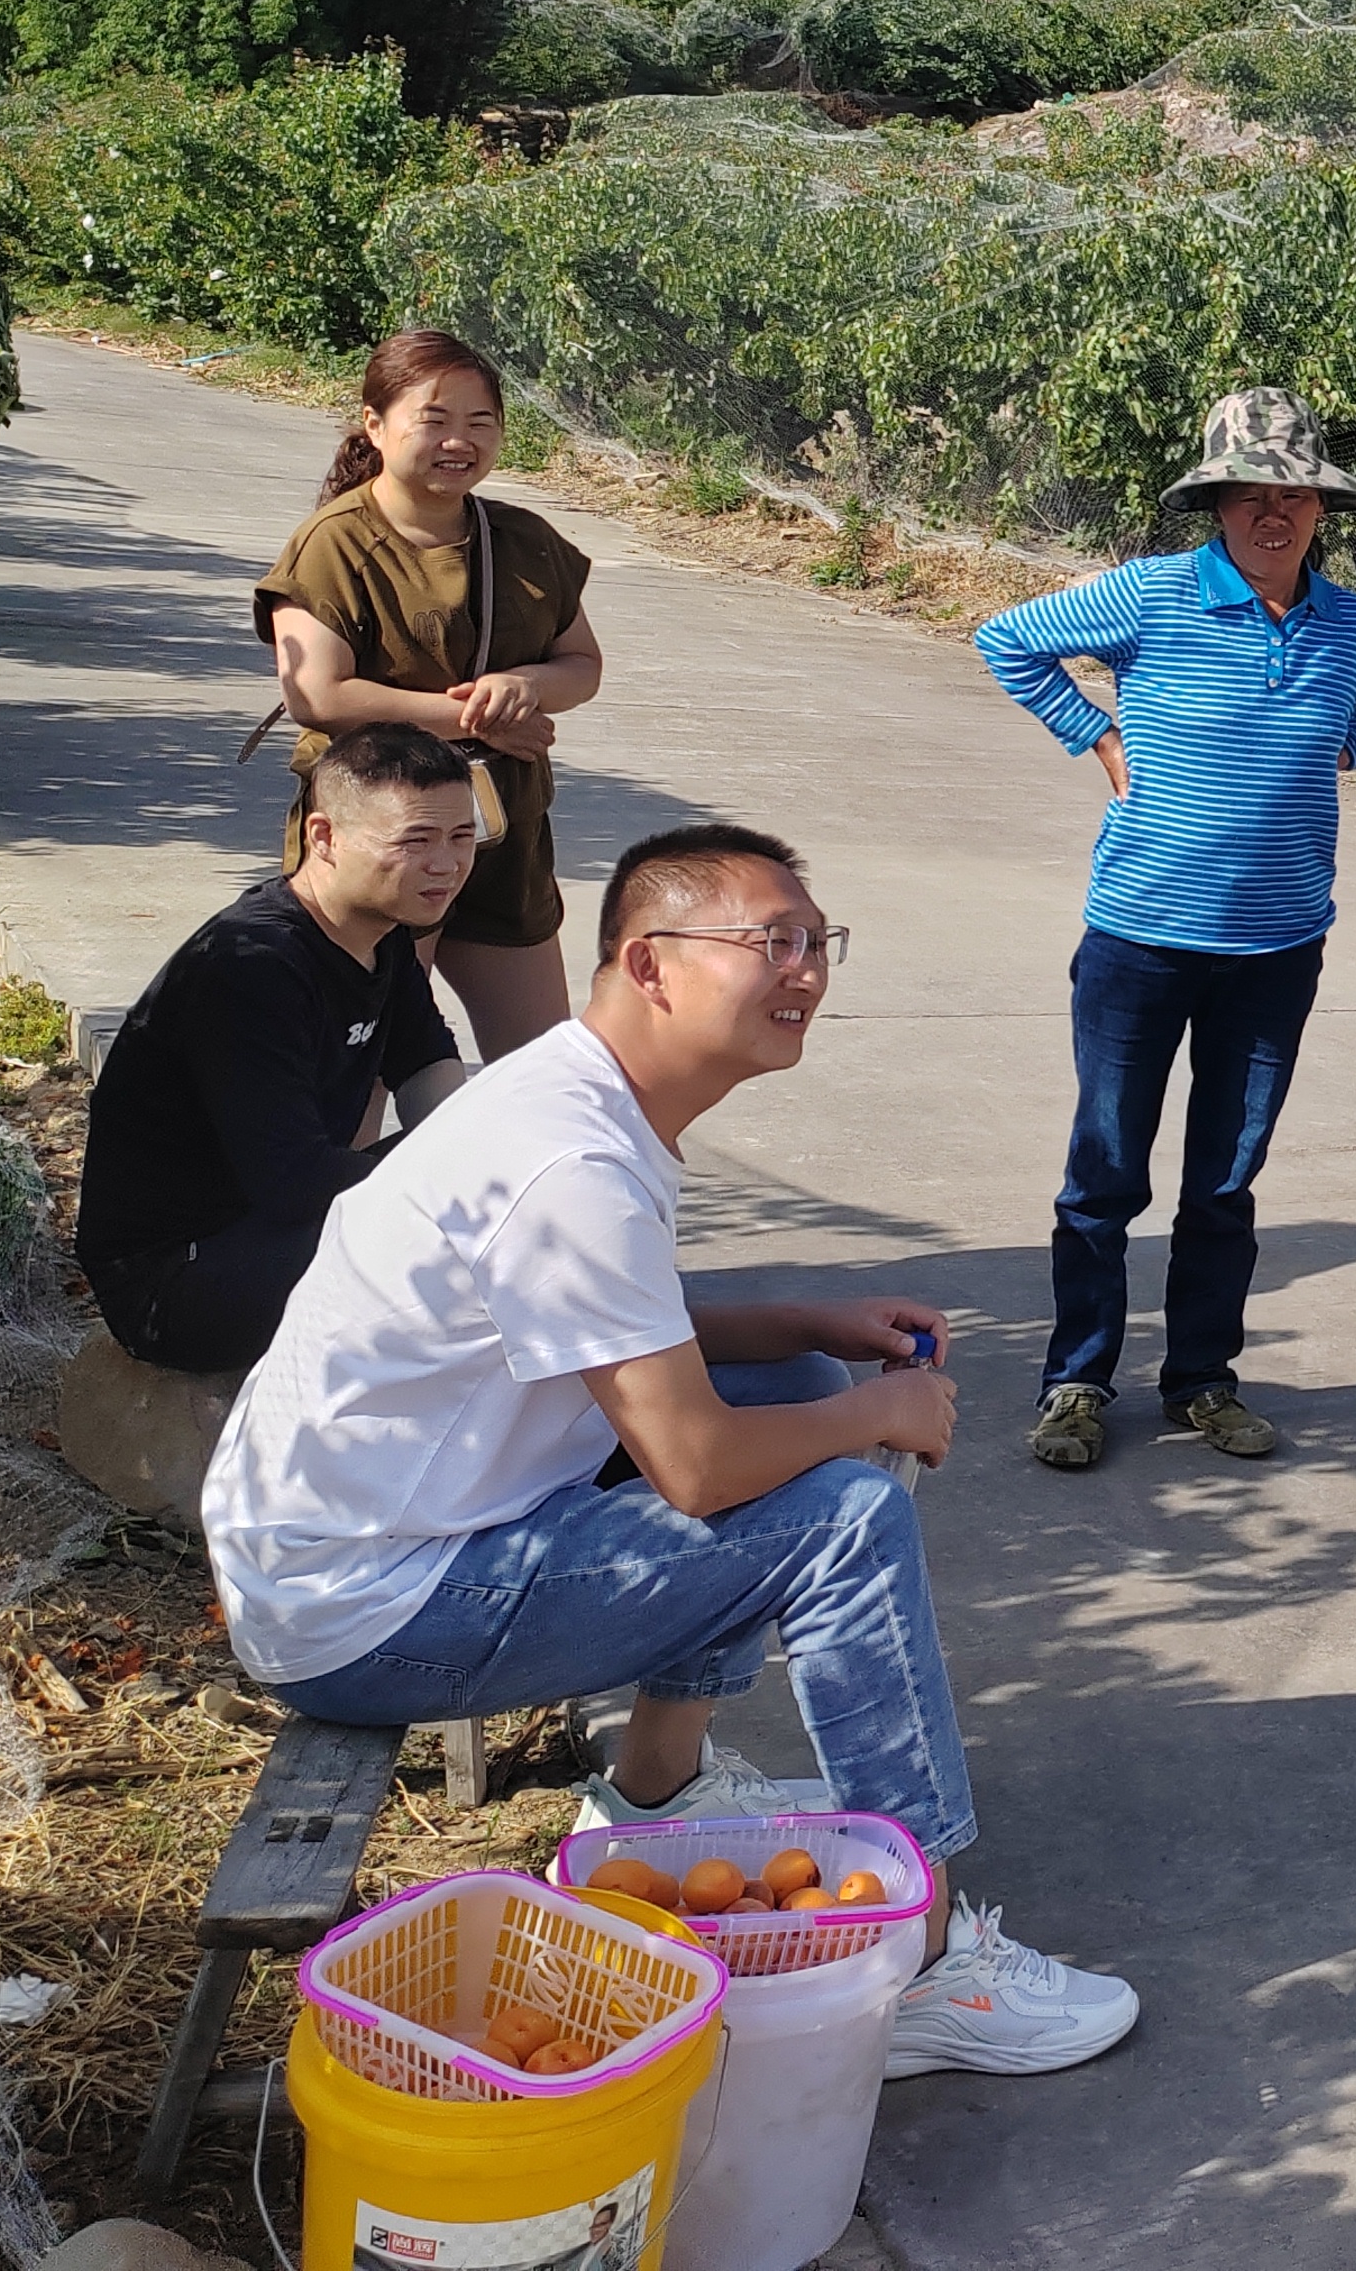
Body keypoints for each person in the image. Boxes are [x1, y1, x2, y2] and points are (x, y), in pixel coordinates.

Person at [202, 822, 1141, 2081]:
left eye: (819, 943)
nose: (805, 972)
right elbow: (695, 1468)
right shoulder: (570, 1159)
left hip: (349, 1557)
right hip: (370, 1614)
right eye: (772, 943)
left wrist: (806, 1326)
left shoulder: (570, 1099)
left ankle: (655, 1789)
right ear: (648, 963)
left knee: (792, 1381)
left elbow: (608, 1332)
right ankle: (917, 1966)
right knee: (845, 1514)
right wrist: (878, 1416)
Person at [975, 389, 1356, 1472]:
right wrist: (1098, 736)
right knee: (1105, 1176)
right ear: (1216, 504)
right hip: (1140, 938)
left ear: (1321, 510)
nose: (1275, 515)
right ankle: (1078, 1383)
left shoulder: (1351, 627)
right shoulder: (1157, 594)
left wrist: (1340, 755)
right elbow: (1008, 641)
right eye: (1252, 495)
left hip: (1277, 951)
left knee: (1221, 1184)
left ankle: (1202, 1384)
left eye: (1296, 496)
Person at [74, 722, 481, 1372]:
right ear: (323, 837)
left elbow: (429, 1064)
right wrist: (468, 1188)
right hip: (177, 1283)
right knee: (462, 1253)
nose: (446, 864)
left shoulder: (384, 930)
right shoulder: (254, 965)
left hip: (276, 1232)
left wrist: (490, 1159)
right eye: (415, 840)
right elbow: (294, 1184)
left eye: (463, 837)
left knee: (513, 1163)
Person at [259, 329, 605, 1061]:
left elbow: (581, 664)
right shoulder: (334, 544)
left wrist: (524, 686)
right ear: (375, 426)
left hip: (499, 830)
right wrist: (473, 720)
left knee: (538, 1068)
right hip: (381, 833)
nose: (460, 441)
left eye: (481, 424)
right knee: (361, 1067)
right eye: (436, 420)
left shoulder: (525, 541)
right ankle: (339, 1180)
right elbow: (316, 694)